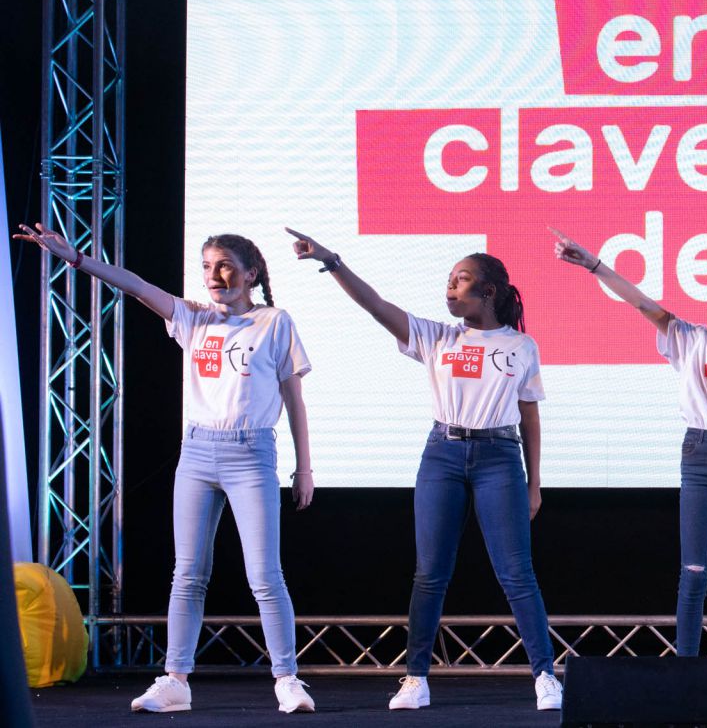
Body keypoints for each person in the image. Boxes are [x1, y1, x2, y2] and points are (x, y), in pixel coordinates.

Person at [14, 223, 316, 714]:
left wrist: (305, 468)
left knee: (264, 576)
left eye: (225, 266)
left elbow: (294, 399)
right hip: (197, 453)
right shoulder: (193, 317)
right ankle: (175, 680)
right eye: (207, 266)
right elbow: (134, 285)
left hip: (251, 454)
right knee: (188, 574)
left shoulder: (274, 322)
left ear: (251, 274)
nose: (214, 275)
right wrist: (74, 257)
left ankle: (287, 679)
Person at [286, 229, 561, 711]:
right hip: (442, 455)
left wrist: (534, 482)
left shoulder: (521, 345)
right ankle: (415, 678)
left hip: (499, 457)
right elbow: (375, 305)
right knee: (430, 573)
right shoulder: (438, 337)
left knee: (517, 573)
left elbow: (530, 416)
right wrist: (332, 261)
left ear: (488, 291)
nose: (450, 286)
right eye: (449, 279)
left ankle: (545, 676)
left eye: (461, 279)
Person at [551, 228, 707, 657]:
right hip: (699, 452)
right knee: (693, 572)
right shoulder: (689, 337)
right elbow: (641, 302)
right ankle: (686, 671)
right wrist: (594, 265)